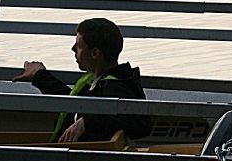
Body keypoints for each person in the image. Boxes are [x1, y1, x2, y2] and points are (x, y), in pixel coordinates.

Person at [14, 17, 150, 143]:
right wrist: (39, 75)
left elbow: (140, 122)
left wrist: (87, 122)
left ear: (95, 53)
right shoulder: (97, 78)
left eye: (78, 45)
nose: (73, 48)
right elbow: (73, 102)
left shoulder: (115, 85)